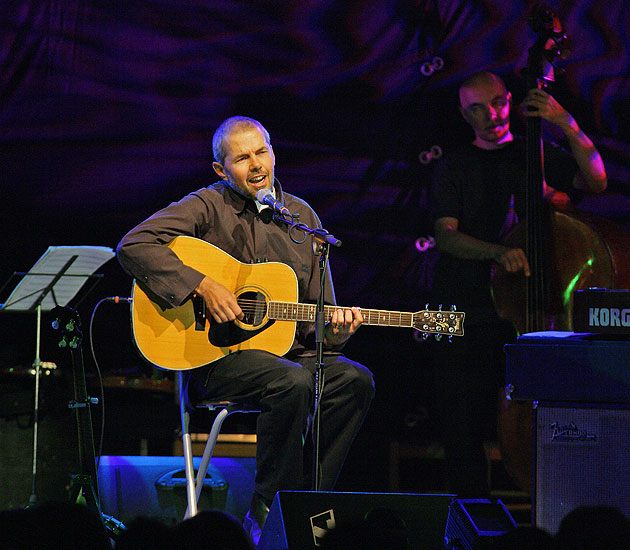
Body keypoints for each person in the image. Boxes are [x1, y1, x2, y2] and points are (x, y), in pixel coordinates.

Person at [116, 116, 375, 542]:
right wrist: (200, 284)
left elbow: (317, 327)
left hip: (287, 357)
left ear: (273, 153)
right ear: (221, 170)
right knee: (291, 383)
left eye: (262, 152)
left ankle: (309, 505)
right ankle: (268, 508)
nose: (256, 165)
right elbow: (134, 244)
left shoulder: (302, 218)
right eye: (241, 158)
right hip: (218, 360)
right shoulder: (206, 206)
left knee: (353, 379)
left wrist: (339, 331)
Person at [428, 71, 607, 496]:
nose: (490, 115)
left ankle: (552, 502)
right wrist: (496, 252)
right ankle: (468, 513)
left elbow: (597, 180)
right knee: (459, 419)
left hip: (527, 309)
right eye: (476, 108)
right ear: (463, 113)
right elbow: (445, 235)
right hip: (463, 307)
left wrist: (566, 123)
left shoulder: (536, 156)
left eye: (496, 102)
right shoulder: (452, 165)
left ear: (509, 99)